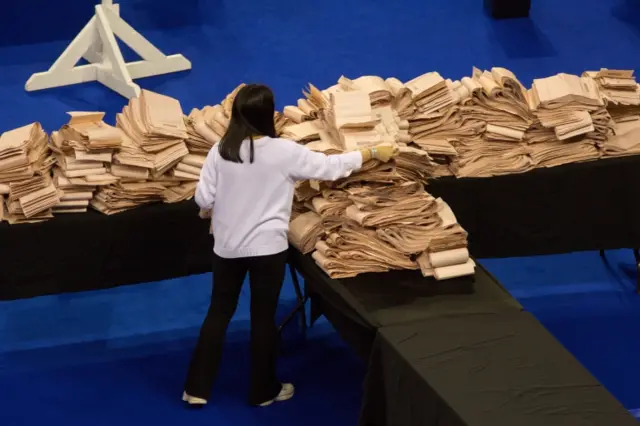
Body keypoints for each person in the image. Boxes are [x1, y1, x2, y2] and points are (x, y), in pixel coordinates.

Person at [183, 84, 397, 408]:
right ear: (267, 115)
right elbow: (329, 169)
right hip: (267, 250)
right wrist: (369, 153)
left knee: (218, 312)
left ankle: (196, 388)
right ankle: (263, 391)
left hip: (226, 247)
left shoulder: (221, 150)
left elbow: (203, 199)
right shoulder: (283, 151)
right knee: (262, 317)